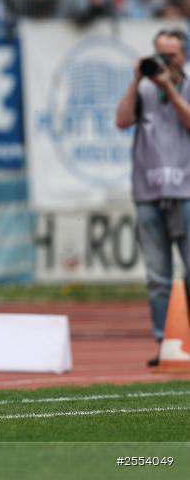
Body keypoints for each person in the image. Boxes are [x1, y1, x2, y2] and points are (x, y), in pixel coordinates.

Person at [115, 29, 190, 366]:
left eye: (170, 55)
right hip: (148, 191)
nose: (164, 61)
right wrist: (136, 80)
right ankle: (165, 342)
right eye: (158, 54)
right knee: (157, 276)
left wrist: (170, 89)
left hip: (186, 189)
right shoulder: (144, 89)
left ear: (184, 56)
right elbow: (121, 121)